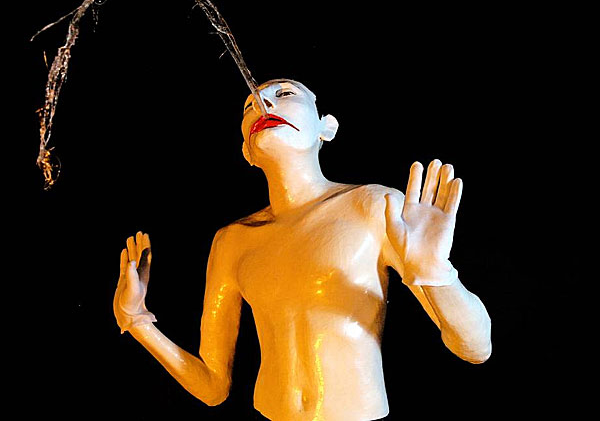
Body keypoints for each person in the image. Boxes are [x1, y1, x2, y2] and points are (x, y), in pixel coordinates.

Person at [113, 78, 492, 421]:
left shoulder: (374, 207)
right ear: (246, 151)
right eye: (250, 106)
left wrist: (436, 274)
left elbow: (475, 348)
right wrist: (136, 319)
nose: (263, 106)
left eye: (284, 94)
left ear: (327, 127)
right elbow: (212, 388)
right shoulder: (233, 240)